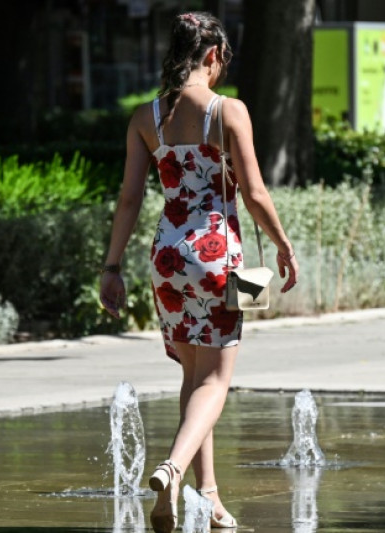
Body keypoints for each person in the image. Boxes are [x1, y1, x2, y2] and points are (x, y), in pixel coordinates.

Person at [98, 11, 298, 533]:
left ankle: (204, 498)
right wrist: (283, 245)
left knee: (193, 377)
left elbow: (128, 199)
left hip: (167, 258)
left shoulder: (147, 117)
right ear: (212, 55)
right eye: (221, 62)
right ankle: (173, 467)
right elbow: (253, 193)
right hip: (216, 256)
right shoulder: (227, 111)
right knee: (217, 380)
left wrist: (111, 267)